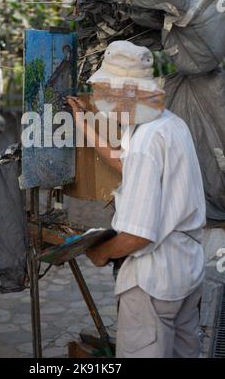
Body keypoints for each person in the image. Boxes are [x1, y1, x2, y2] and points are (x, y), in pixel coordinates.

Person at [67, 40, 205, 358]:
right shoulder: (168, 124)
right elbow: (121, 160)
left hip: (153, 280)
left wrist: (102, 252)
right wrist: (83, 124)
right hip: (185, 271)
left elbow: (139, 234)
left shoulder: (146, 141)